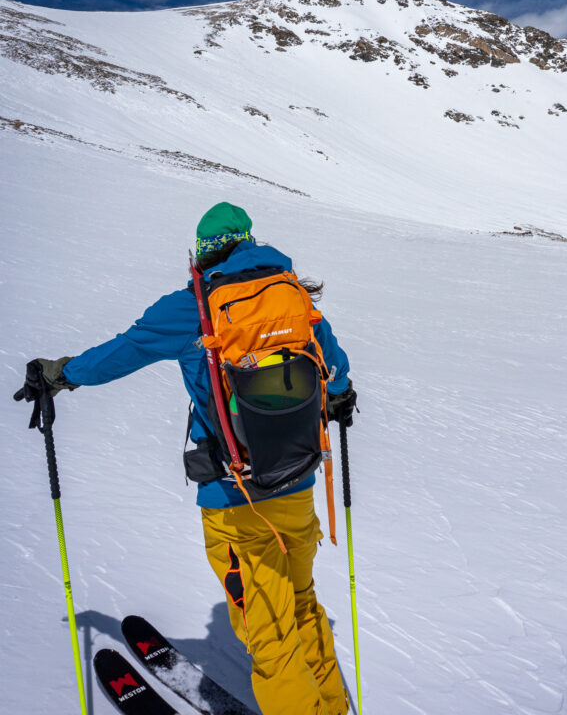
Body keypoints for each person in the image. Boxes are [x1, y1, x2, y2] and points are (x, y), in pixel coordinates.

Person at [23, 202, 357, 715]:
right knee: (303, 605)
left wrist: (59, 373)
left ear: (200, 256)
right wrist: (338, 395)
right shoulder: (291, 300)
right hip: (298, 484)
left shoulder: (192, 309)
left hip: (235, 497)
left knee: (269, 635)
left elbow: (120, 353)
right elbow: (334, 369)